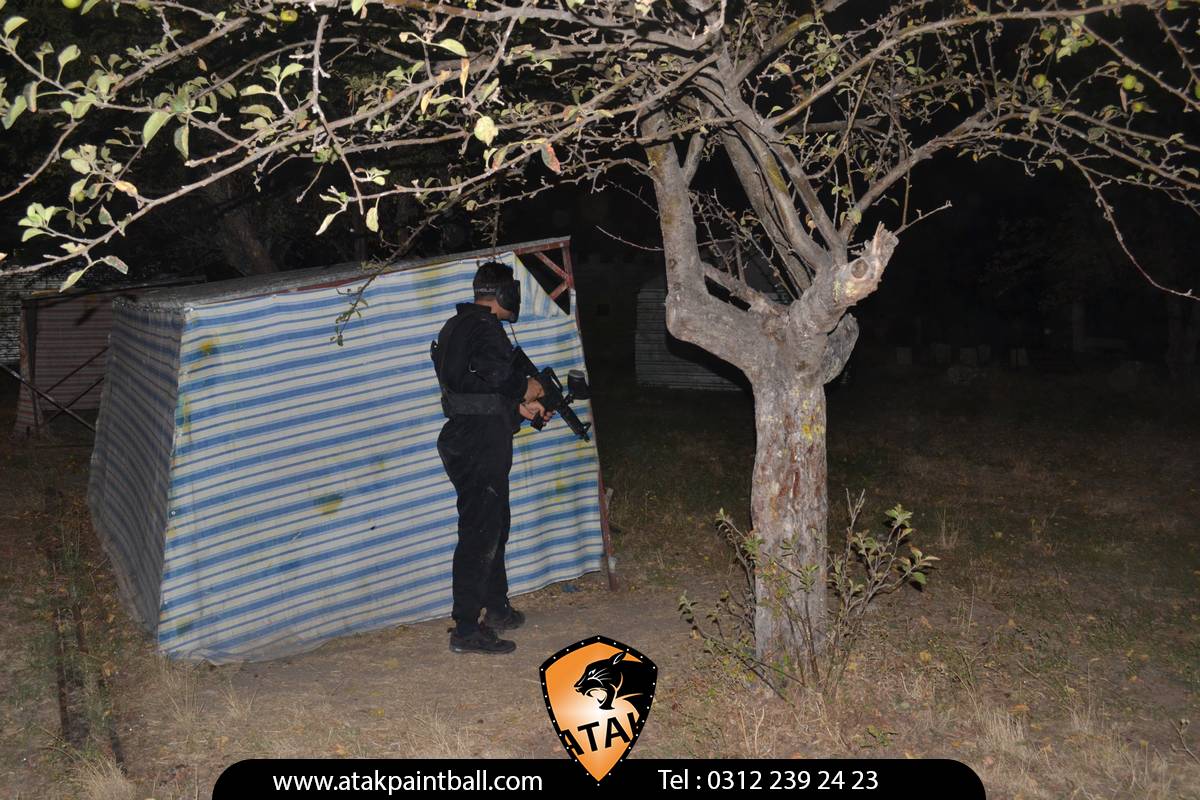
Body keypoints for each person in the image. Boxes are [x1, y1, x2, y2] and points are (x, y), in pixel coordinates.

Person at [431, 261, 550, 654]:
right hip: (478, 441)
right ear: (503, 294)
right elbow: (494, 373)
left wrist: (517, 408)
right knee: (480, 532)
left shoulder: (458, 325)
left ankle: (496, 608)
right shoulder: (483, 326)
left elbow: (473, 388)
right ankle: (466, 629)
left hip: (472, 435)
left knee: (494, 524)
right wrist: (527, 387)